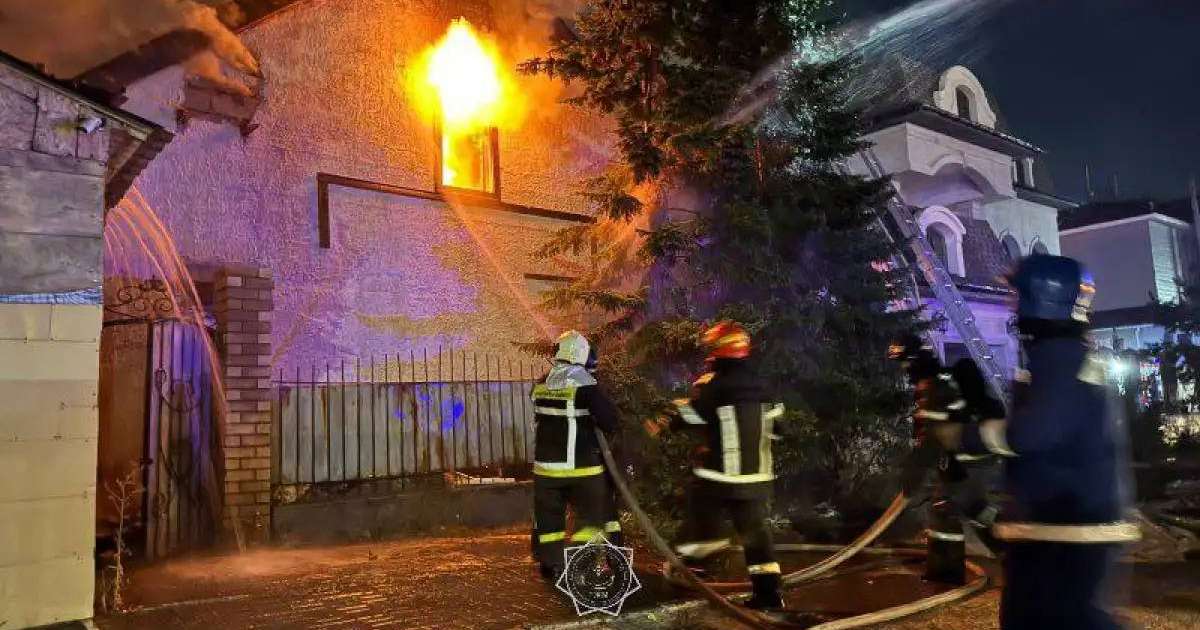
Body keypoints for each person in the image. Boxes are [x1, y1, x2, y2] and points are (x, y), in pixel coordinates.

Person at [926, 255, 1139, 629]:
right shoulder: (1064, 354)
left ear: (1038, 299)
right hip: (1067, 526)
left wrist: (965, 437)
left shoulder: (1058, 357)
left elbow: (1038, 432)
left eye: (1015, 296)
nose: (1011, 305)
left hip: (1063, 531)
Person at [647, 321, 786, 611]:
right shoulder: (764, 385)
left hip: (722, 476)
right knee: (757, 537)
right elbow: (779, 428)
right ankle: (769, 596)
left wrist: (673, 414)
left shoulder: (716, 386)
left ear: (718, 352)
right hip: (758, 477)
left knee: (701, 511)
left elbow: (694, 418)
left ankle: (697, 561)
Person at [531, 330, 621, 580]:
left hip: (546, 470)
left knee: (549, 521)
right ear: (581, 353)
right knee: (592, 516)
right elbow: (610, 421)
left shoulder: (541, 382)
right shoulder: (586, 384)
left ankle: (550, 564)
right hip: (582, 469)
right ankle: (582, 557)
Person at [585, 346, 624, 546]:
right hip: (589, 464)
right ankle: (616, 560)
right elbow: (610, 422)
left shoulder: (547, 384)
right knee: (607, 514)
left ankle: (550, 560)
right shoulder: (590, 389)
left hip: (552, 465)